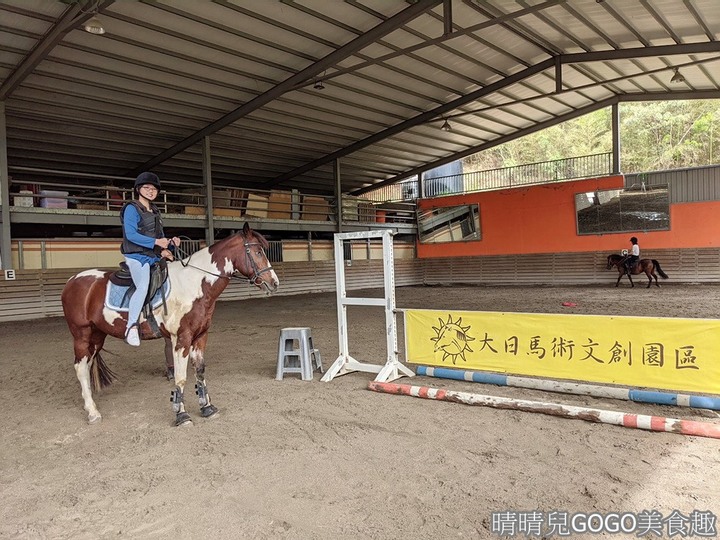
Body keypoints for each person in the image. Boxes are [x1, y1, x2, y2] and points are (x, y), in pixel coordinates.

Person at [120, 172, 179, 346]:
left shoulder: (155, 211)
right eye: (147, 188)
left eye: (154, 189)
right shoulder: (131, 208)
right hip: (136, 256)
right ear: (139, 189)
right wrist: (156, 242)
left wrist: (170, 244)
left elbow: (160, 238)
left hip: (152, 256)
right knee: (143, 285)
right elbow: (131, 235)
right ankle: (131, 326)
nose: (151, 191)